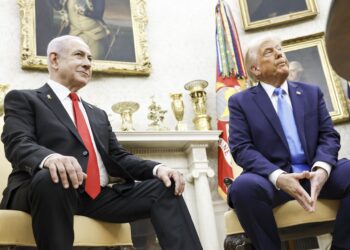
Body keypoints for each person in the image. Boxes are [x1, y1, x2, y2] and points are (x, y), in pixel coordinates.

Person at [0, 35, 203, 250]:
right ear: (54, 60)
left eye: (89, 58)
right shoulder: (25, 99)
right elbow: (17, 142)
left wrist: (158, 168)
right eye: (79, 55)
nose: (88, 63)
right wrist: (51, 158)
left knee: (164, 188)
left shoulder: (97, 114)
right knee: (55, 178)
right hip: (41, 190)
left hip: (95, 197)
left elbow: (119, 157)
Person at [226, 36, 350, 250]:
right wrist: (279, 177)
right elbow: (242, 148)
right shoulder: (241, 102)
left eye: (280, 49)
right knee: (242, 189)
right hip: (271, 180)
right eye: (269, 52)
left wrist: (322, 169)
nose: (279, 54)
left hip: (314, 174)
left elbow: (328, 136)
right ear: (255, 70)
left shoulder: (311, 93)